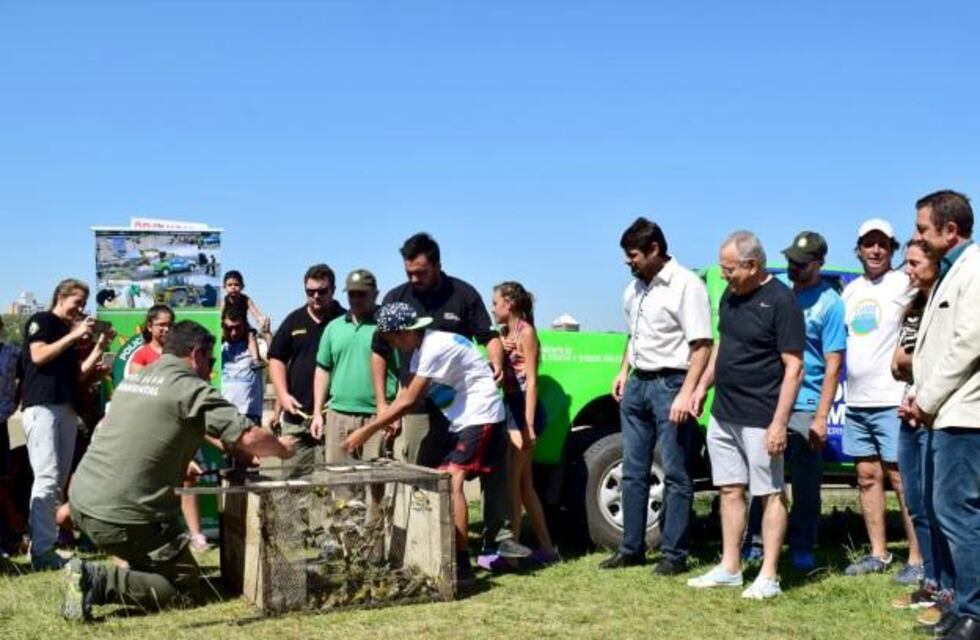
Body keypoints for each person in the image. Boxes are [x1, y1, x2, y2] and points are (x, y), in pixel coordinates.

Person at [61, 320, 296, 621]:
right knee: (185, 590)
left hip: (83, 501)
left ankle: (125, 569)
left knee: (165, 560)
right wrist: (281, 448)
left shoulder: (139, 378)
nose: (210, 369)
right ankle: (97, 581)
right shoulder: (188, 387)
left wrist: (228, 447)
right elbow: (249, 436)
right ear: (196, 354)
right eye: (210, 360)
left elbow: (180, 426)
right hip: (125, 516)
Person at [370, 233, 524, 560]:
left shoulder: (463, 294)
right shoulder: (397, 299)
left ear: (438, 265)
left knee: (488, 470)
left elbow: (489, 336)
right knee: (419, 468)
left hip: (465, 406)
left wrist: (496, 360)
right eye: (409, 272)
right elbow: (379, 352)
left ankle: (498, 540)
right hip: (417, 406)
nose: (414, 279)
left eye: (421, 272)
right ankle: (420, 539)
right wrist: (382, 401)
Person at [346, 302, 506, 582]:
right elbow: (407, 393)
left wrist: (366, 430)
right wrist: (389, 419)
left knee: (452, 481)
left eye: (391, 339)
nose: (392, 345)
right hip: (463, 420)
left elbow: (408, 400)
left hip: (481, 417)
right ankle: (450, 555)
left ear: (403, 332)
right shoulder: (423, 347)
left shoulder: (434, 347)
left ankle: (461, 565)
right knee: (443, 478)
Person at [688, 231, 804, 600]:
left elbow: (794, 367)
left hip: (761, 416)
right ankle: (730, 567)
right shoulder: (730, 295)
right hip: (724, 414)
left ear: (752, 266)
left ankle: (768, 575)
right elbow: (724, 347)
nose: (723, 275)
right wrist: (701, 387)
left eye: (728, 269)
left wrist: (779, 423)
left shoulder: (782, 301)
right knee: (729, 489)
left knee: (769, 493)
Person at [598, 218, 712, 576]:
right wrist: (622, 371)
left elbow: (702, 345)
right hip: (637, 385)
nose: (627, 262)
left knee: (676, 473)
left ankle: (673, 555)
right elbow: (633, 337)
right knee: (632, 470)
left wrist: (688, 392)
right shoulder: (633, 290)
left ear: (654, 250)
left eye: (632, 255)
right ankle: (631, 549)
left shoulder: (686, 285)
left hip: (672, 385)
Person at [743, 231, 846, 571]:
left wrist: (820, 416)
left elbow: (833, 365)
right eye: (790, 261)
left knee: (805, 482)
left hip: (806, 403)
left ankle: (803, 546)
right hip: (771, 399)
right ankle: (755, 542)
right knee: (763, 475)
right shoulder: (778, 294)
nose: (794, 268)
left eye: (801, 264)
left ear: (819, 264)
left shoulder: (830, 303)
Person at [906, 190, 980, 640]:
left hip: (962, 412)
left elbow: (969, 342)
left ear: (949, 231)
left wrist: (926, 398)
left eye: (921, 228)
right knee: (943, 510)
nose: (916, 236)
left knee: (957, 513)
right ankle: (958, 604)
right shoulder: (951, 273)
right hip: (942, 412)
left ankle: (973, 612)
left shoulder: (974, 271)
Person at [841, 218, 921, 580]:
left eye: (883, 245)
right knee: (867, 476)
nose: (875, 250)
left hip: (892, 397)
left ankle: (918, 558)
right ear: (858, 248)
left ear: (893, 249)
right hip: (857, 401)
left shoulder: (904, 283)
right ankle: (879, 553)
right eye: (868, 244)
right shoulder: (851, 290)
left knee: (902, 478)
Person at [21, 279, 111, 570]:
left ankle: (45, 547)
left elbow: (78, 376)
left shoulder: (68, 332)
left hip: (66, 408)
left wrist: (99, 348)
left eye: (84, 303)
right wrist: (74, 336)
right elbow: (38, 356)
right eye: (77, 302)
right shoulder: (42, 320)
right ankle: (42, 550)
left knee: (57, 483)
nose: (81, 309)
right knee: (46, 478)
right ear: (61, 296)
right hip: (42, 407)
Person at [889, 240, 955, 627]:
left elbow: (943, 356)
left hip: (936, 414)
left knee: (939, 506)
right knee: (916, 504)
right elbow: (899, 363)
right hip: (908, 411)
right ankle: (930, 582)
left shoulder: (947, 304)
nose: (908, 270)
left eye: (914, 263)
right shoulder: (913, 308)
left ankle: (951, 590)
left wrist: (911, 366)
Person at [491, 281, 559, 566]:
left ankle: (513, 553)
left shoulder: (526, 333)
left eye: (495, 302)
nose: (493, 308)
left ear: (509, 303)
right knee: (523, 482)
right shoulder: (504, 334)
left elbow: (531, 380)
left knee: (513, 483)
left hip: (522, 411)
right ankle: (546, 548)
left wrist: (529, 424)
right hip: (511, 406)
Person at [310, 269, 396, 464]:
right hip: (338, 415)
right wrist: (317, 413)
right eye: (351, 294)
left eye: (361, 294)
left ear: (375, 294)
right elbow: (323, 370)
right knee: (340, 485)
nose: (355, 299)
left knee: (376, 487)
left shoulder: (388, 327)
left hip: (377, 417)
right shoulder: (333, 327)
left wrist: (394, 414)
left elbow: (404, 374)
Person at [268, 264, 346, 476]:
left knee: (336, 486)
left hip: (334, 416)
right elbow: (276, 358)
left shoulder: (345, 320)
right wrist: (282, 395)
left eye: (322, 291)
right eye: (310, 292)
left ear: (334, 289)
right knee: (294, 486)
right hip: (297, 417)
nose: (316, 297)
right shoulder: (294, 320)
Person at [0, 317, 24, 555]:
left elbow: (25, 379)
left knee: (5, 481)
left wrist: (13, 401)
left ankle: (8, 538)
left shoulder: (12, 353)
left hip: (1, 422)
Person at [220, 306, 265, 424]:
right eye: (229, 328)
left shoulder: (257, 346)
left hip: (250, 417)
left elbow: (276, 356)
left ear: (245, 326)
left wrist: (268, 333)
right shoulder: (217, 350)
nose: (233, 333)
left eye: (237, 328)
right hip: (224, 416)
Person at [221, 270, 271, 367]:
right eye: (230, 285)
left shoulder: (245, 299)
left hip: (243, 325)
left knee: (251, 335)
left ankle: (255, 359)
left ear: (242, 286)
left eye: (236, 284)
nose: (233, 288)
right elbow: (220, 315)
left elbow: (254, 311)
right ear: (224, 287)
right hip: (228, 326)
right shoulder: (224, 300)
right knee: (220, 336)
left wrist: (260, 319)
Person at [127, 304, 174, 375]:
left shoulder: (179, 353)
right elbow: (134, 384)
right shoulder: (141, 355)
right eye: (161, 325)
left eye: (170, 325)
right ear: (149, 326)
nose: (167, 329)